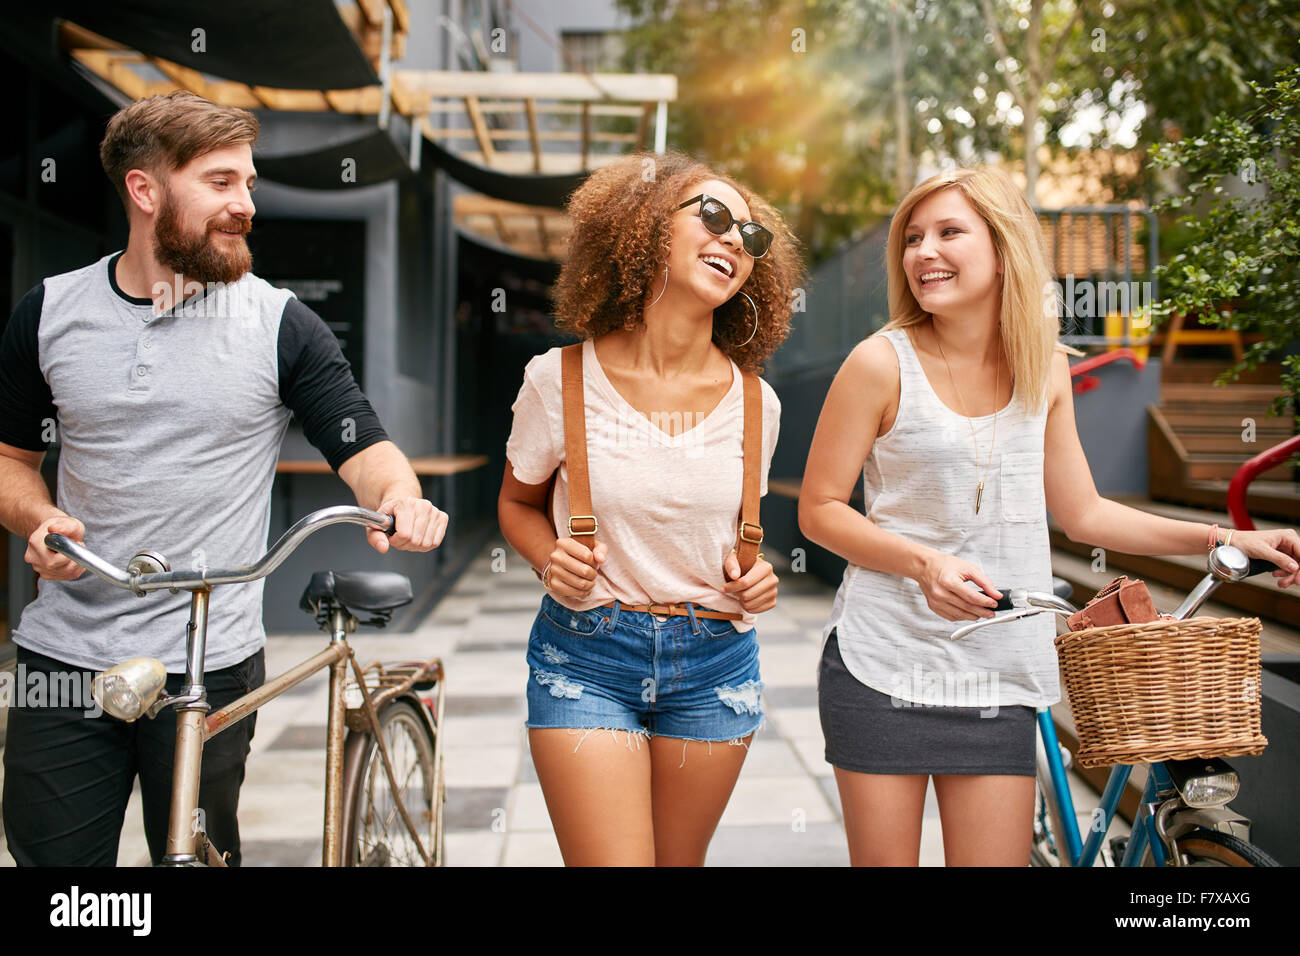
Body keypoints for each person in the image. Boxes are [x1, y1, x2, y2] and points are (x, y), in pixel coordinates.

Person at [798, 165, 1300, 866]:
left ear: (1004, 249)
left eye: (949, 232)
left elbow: (1086, 514)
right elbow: (819, 511)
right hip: (884, 668)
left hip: (1001, 676)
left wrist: (1225, 536)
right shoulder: (880, 363)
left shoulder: (1045, 369)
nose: (923, 252)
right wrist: (925, 563)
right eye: (912, 238)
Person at [0, 91, 447, 866]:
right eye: (219, 182)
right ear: (145, 191)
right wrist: (36, 517)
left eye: (248, 182)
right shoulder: (48, 314)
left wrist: (399, 498)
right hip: (67, 657)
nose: (245, 205)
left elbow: (363, 447)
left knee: (197, 856)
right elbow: (10, 463)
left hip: (212, 654)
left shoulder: (280, 324)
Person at [498, 151, 804, 865]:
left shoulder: (759, 403)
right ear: (643, 229)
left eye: (751, 236)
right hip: (585, 657)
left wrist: (756, 579)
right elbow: (516, 504)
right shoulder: (559, 380)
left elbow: (734, 544)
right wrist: (550, 558)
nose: (734, 239)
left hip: (716, 665)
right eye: (713, 216)